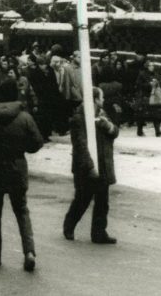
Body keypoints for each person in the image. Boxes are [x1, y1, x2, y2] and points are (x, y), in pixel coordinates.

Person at [0, 78, 44, 272]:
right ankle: (29, 252)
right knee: (22, 210)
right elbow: (37, 142)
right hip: (16, 166)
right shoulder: (24, 117)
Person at [63, 87, 119, 244]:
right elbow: (80, 145)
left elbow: (115, 132)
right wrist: (90, 166)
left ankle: (99, 233)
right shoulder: (79, 118)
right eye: (101, 97)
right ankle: (69, 225)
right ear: (95, 99)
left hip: (103, 164)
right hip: (86, 166)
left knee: (102, 202)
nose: (104, 100)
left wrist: (108, 127)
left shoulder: (101, 114)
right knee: (82, 199)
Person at [135, 60, 161, 137]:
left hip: (154, 96)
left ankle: (158, 131)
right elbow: (138, 85)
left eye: (152, 65)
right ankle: (139, 130)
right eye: (150, 65)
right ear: (146, 66)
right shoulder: (142, 74)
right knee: (142, 114)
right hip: (145, 96)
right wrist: (149, 84)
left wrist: (158, 87)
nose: (152, 67)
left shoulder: (155, 74)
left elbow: (158, 84)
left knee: (156, 113)